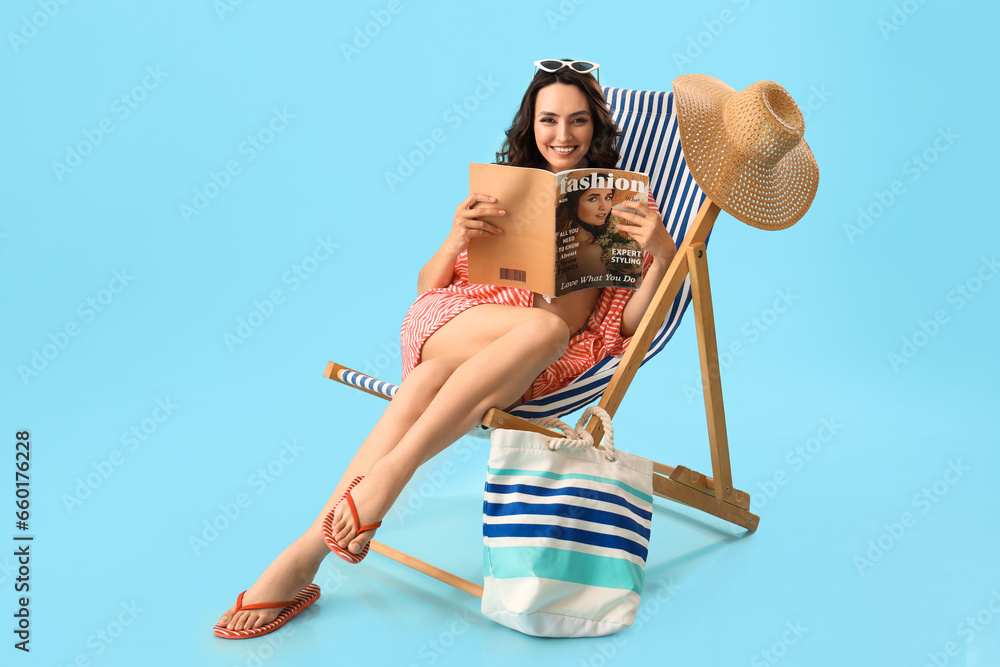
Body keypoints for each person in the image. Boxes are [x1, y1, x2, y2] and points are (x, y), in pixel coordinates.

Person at [214, 59, 678, 638]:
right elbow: (428, 291)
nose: (563, 135)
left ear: (595, 127)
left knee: (442, 378)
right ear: (531, 124)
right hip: (458, 322)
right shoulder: (511, 188)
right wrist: (457, 234)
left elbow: (631, 325)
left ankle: (304, 554)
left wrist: (660, 251)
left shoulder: (620, 204)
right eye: (550, 119)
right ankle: (389, 479)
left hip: (528, 368)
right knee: (544, 328)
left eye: (578, 121)